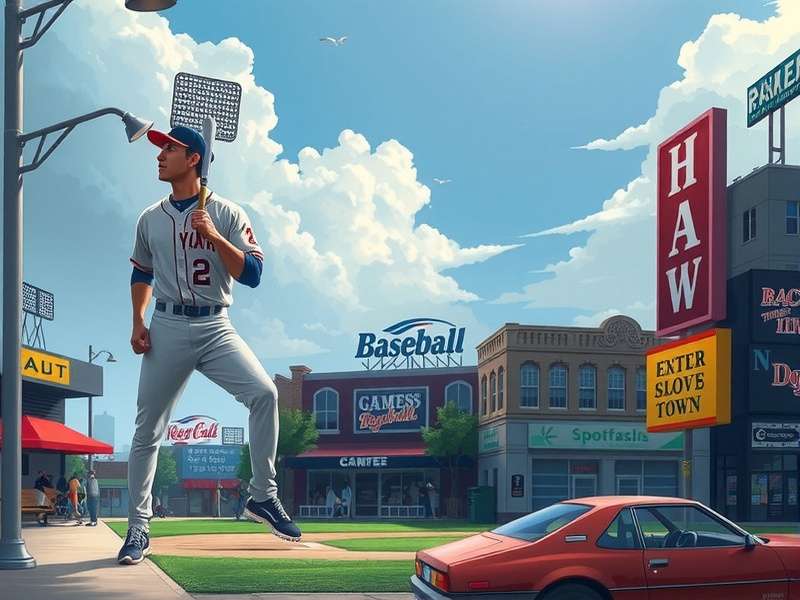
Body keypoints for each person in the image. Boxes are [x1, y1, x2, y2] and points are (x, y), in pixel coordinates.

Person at [118, 125, 300, 566]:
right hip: (166, 324)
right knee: (147, 429)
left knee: (264, 393)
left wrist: (214, 236)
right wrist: (138, 319)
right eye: (161, 149)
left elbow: (253, 274)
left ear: (194, 158)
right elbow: (141, 272)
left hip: (216, 325)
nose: (160, 155)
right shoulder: (150, 218)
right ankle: (138, 527)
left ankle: (263, 496)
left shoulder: (227, 212)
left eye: (170, 148)